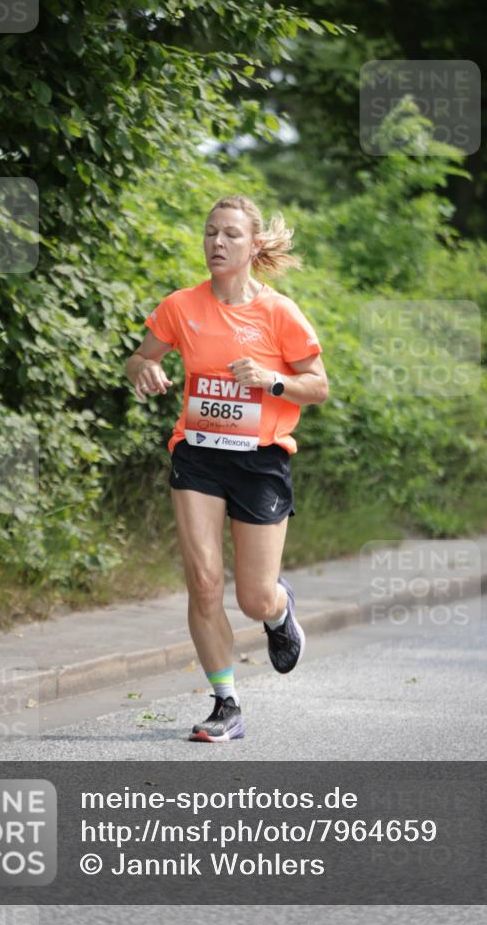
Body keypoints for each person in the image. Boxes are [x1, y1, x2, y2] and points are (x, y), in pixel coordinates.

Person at [125, 194, 328, 742]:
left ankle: (279, 612)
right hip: (198, 454)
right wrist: (143, 370)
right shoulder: (181, 306)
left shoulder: (279, 312)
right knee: (204, 581)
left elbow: (319, 386)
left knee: (252, 596)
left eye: (230, 234)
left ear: (253, 244)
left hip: (260, 461)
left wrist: (270, 380)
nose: (217, 242)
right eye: (211, 232)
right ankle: (226, 704)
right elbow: (142, 356)